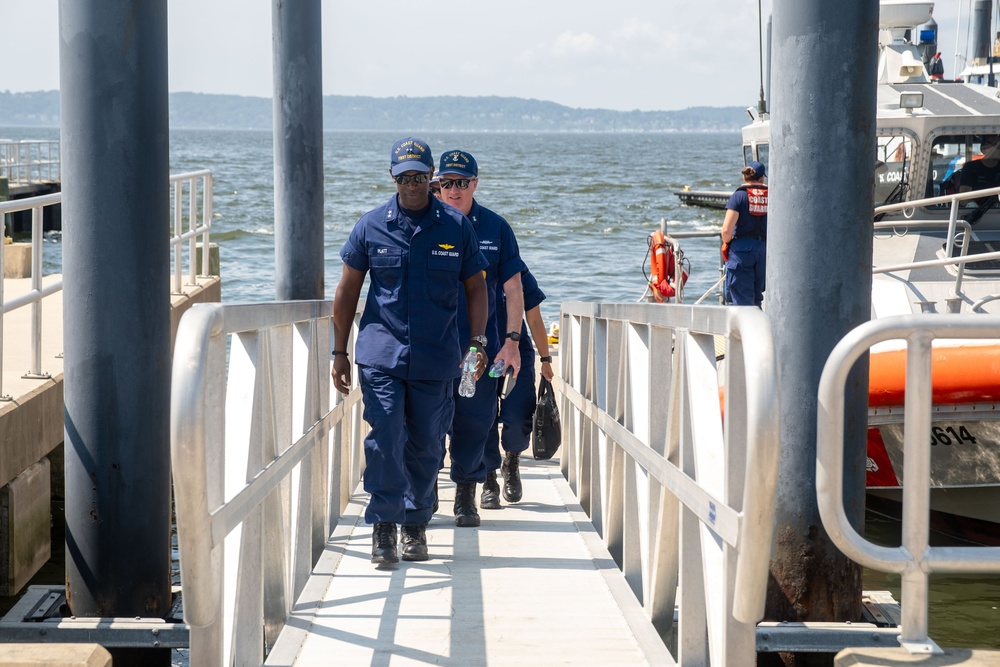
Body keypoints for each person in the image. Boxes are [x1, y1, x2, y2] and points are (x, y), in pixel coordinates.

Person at [332, 137, 489, 566]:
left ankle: (416, 524)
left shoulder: (456, 228)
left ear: (431, 177)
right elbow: (347, 291)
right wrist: (339, 351)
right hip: (381, 354)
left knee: (425, 444)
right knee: (384, 435)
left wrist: (477, 343)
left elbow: (477, 288)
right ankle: (383, 525)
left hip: (437, 357)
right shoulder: (370, 226)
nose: (413, 184)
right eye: (405, 177)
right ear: (392, 177)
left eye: (420, 176)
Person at [437, 149, 526, 526]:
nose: (454, 189)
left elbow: (515, 288)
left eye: (462, 182)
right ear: (436, 184)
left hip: (481, 347)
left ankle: (465, 495)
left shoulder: (495, 227)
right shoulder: (425, 222)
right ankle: (421, 497)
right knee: (427, 423)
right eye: (447, 183)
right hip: (434, 343)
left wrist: (512, 341)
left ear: (475, 183)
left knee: (475, 422)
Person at [486, 269, 554, 505]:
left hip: (517, 353)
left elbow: (534, 319)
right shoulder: (470, 260)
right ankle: (488, 478)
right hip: (481, 350)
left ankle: (512, 462)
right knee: (483, 416)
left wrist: (545, 360)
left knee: (518, 414)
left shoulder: (518, 273)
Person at [721, 161, 767, 307]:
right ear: (762, 178)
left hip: (741, 252)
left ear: (745, 178)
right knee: (756, 297)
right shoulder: (771, 195)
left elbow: (726, 230)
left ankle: (746, 329)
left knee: (742, 300)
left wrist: (727, 242)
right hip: (764, 251)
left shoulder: (739, 196)